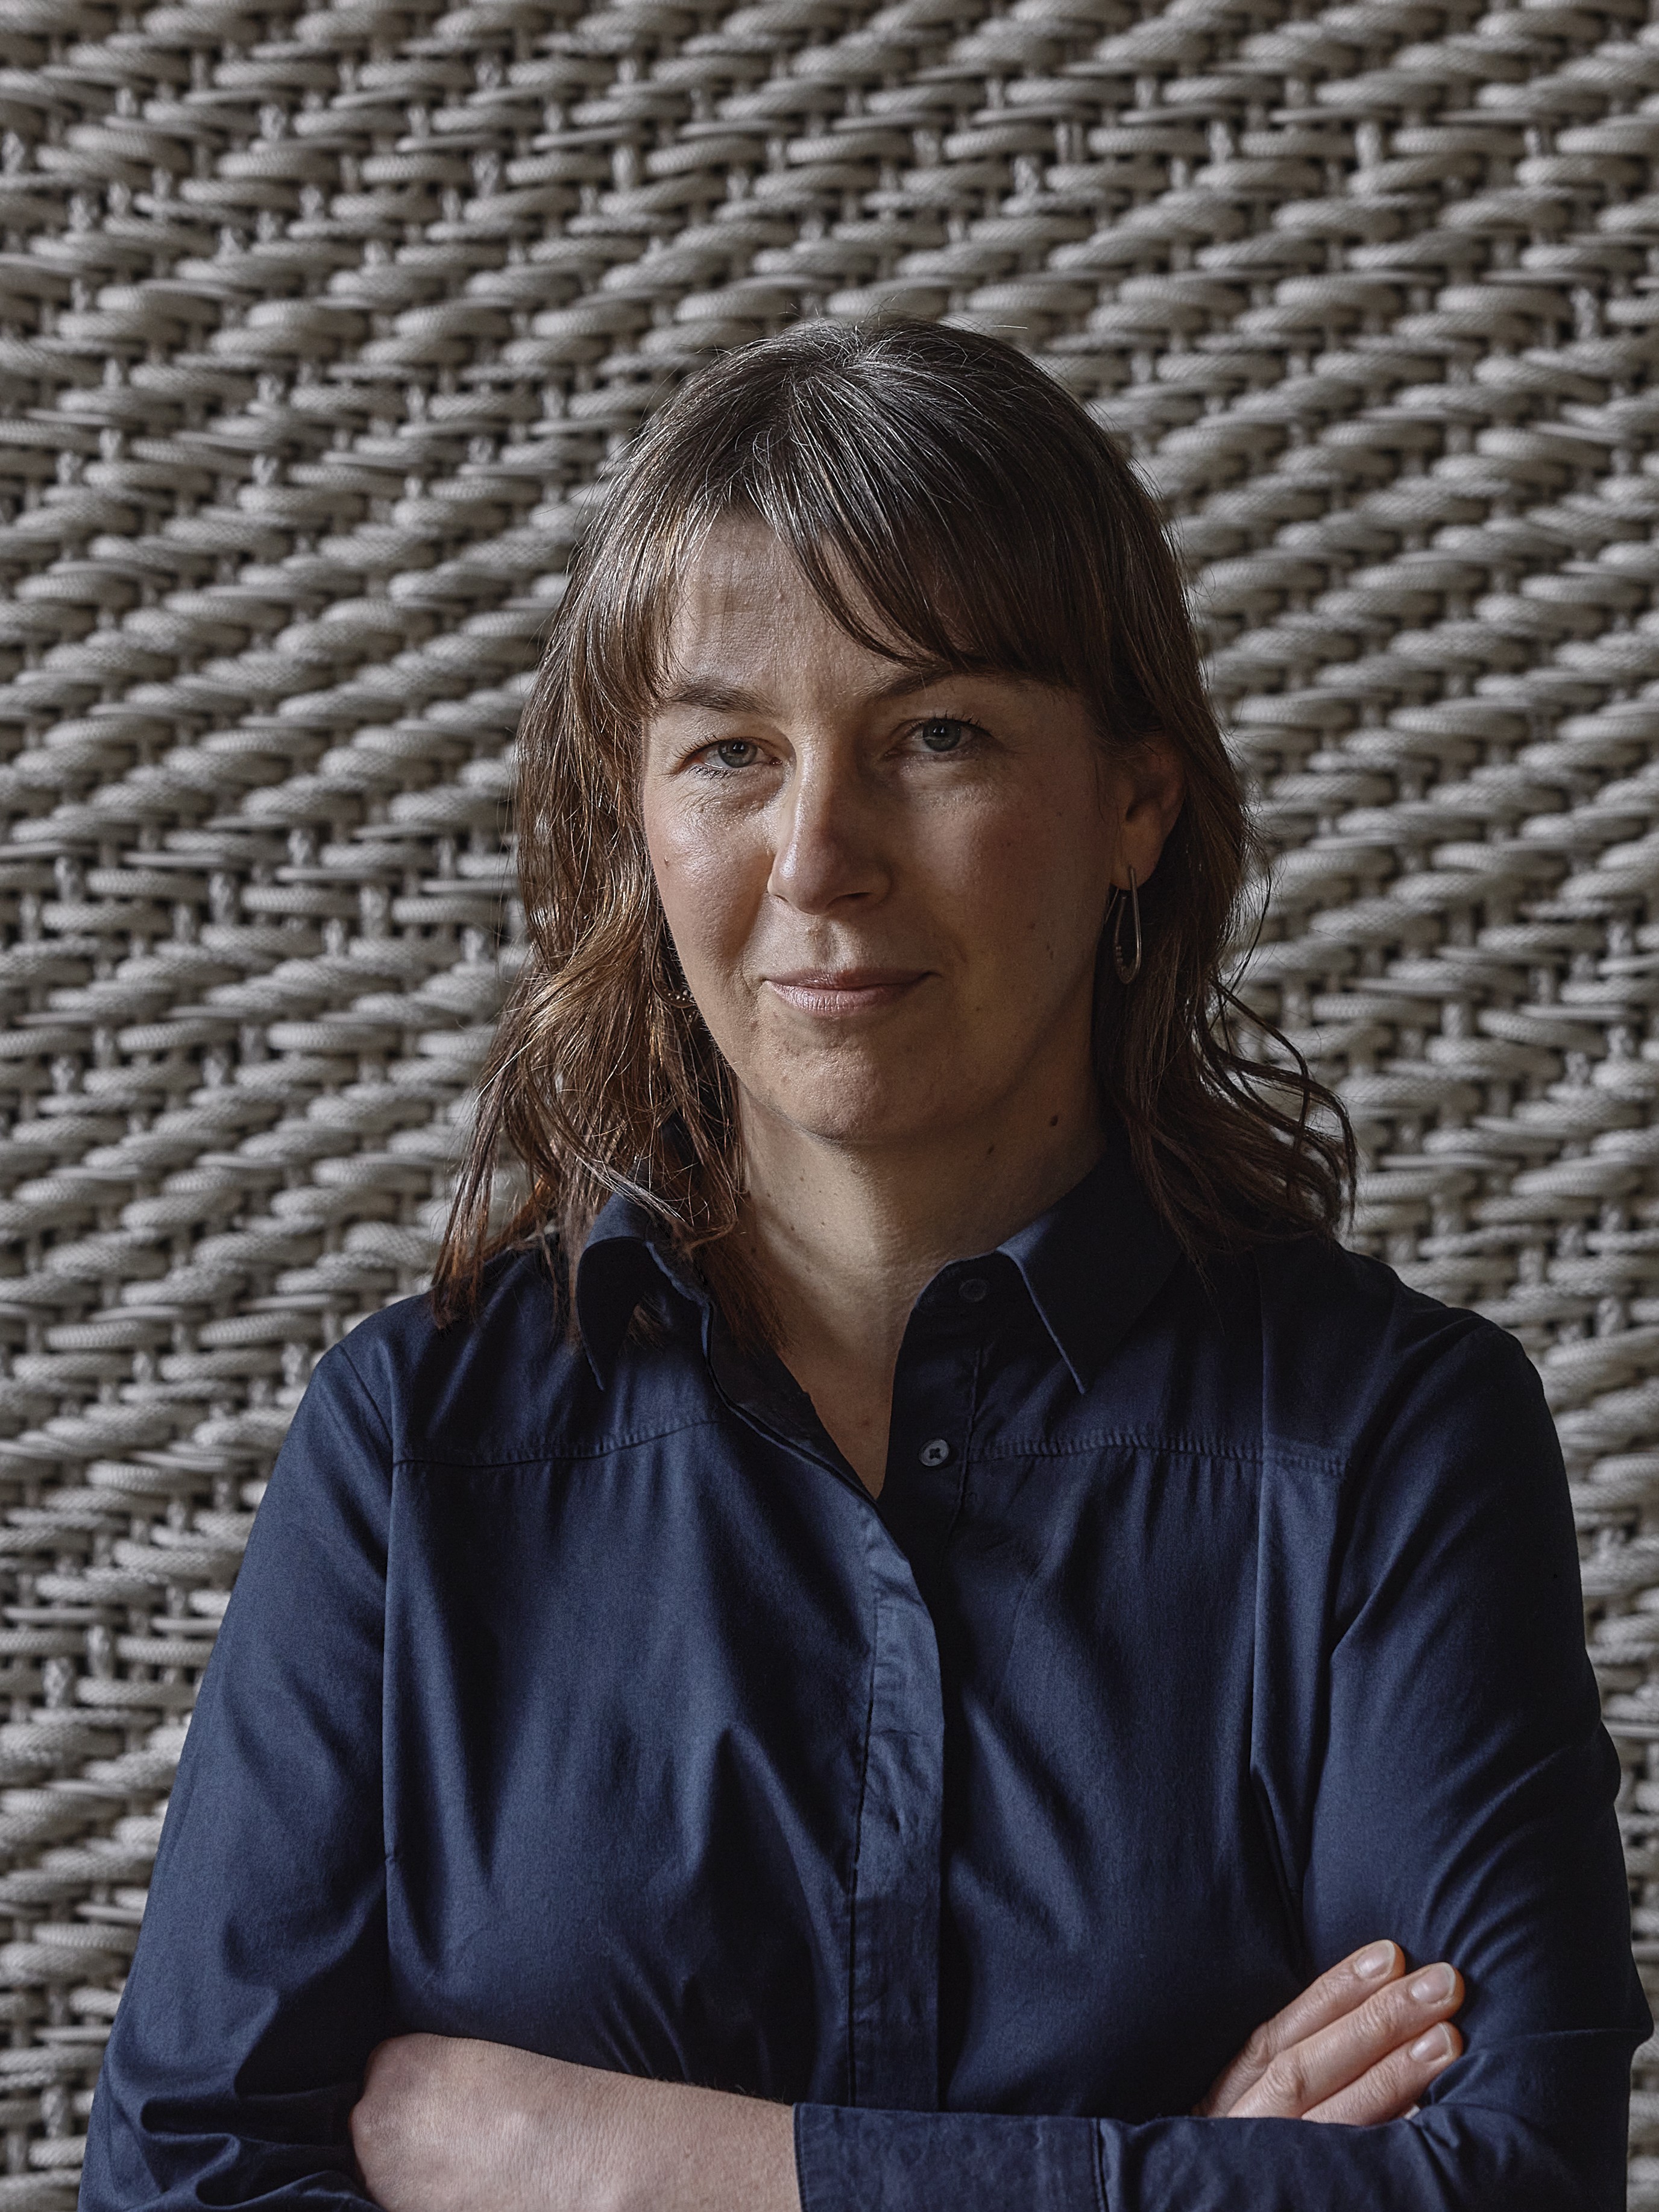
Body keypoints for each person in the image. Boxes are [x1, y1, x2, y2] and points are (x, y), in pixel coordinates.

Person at [81, 320, 1648, 2212]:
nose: (819, 854)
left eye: (937, 736)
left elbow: (1506, 2183)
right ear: (640, 817)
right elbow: (184, 2182)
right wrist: (1183, 2179)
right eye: (732, 753)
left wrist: (613, 2168)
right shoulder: (410, 1451)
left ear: (1138, 800)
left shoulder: (1393, 1444)